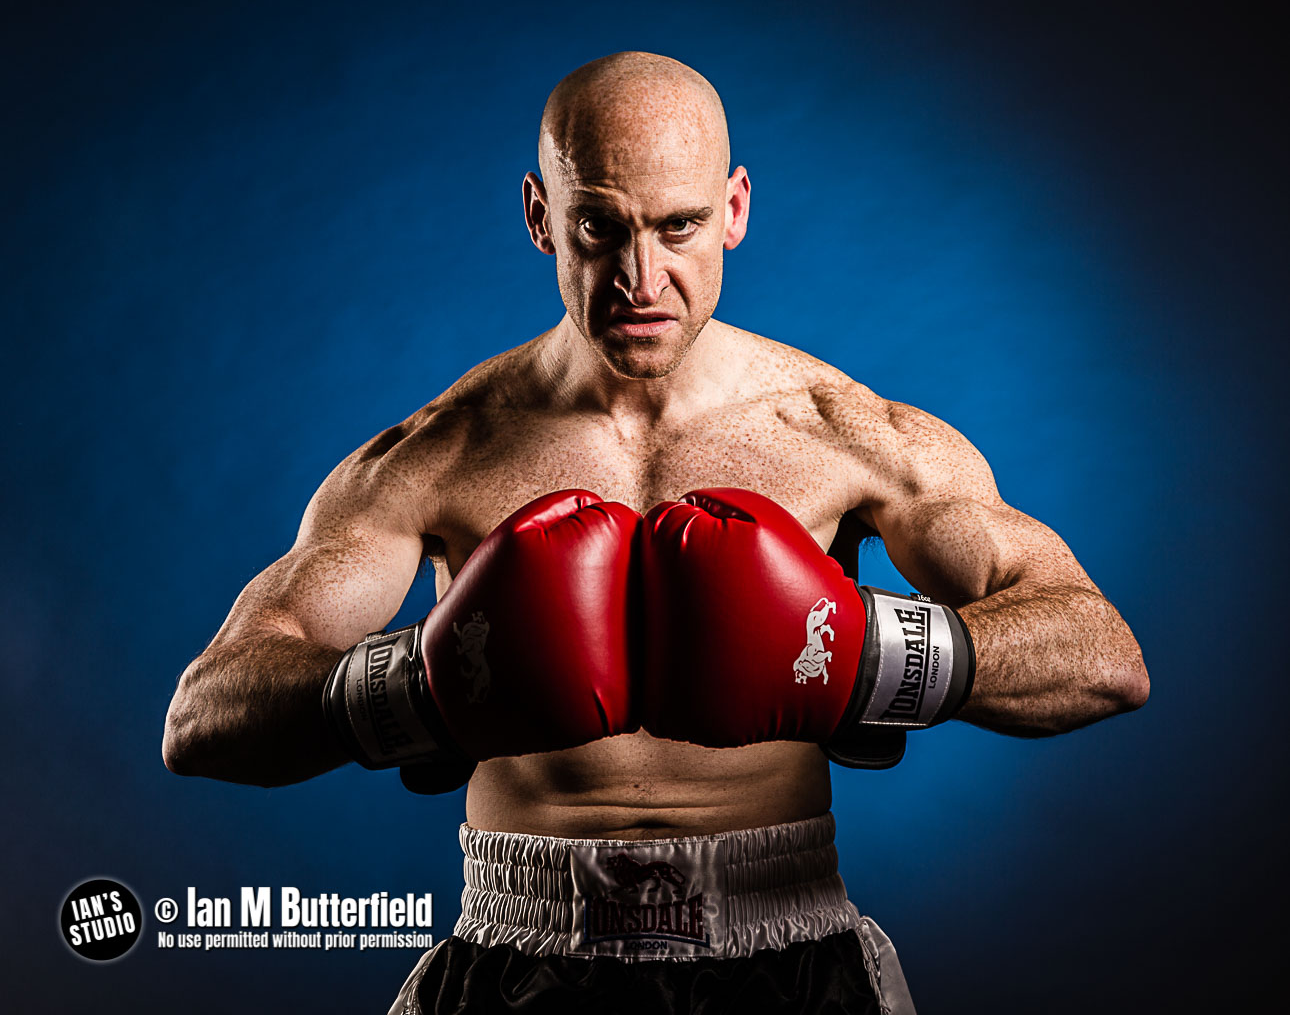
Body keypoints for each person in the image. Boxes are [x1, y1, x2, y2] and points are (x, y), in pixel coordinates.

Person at [162, 51, 1149, 1014]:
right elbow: (204, 718)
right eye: (601, 227)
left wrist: (865, 658)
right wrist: (417, 688)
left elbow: (1101, 658)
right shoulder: (440, 455)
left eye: (680, 226)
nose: (642, 277)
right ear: (542, 218)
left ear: (735, 210)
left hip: (785, 948)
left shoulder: (842, 434)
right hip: (519, 953)